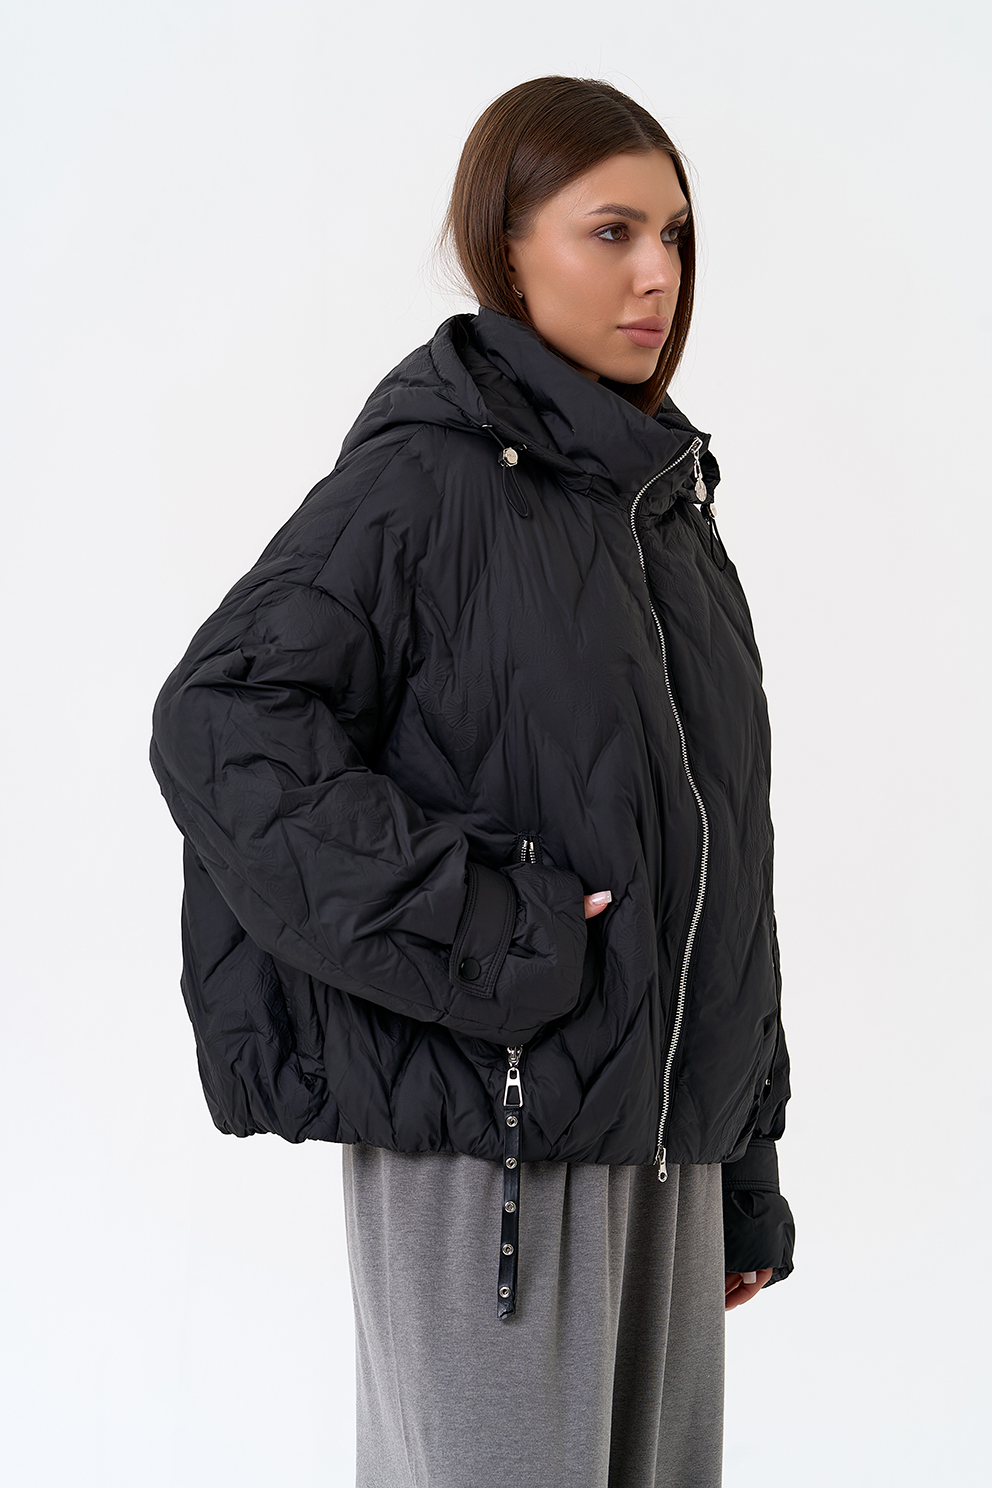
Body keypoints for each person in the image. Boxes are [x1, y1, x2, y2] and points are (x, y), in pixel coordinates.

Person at [150, 74, 795, 1488]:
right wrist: (492, 927)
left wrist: (743, 1162)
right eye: (611, 231)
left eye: (676, 235)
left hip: (666, 1159)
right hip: (493, 1139)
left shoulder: (668, 516)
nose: (659, 275)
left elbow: (717, 863)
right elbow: (221, 721)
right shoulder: (428, 484)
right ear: (504, 249)